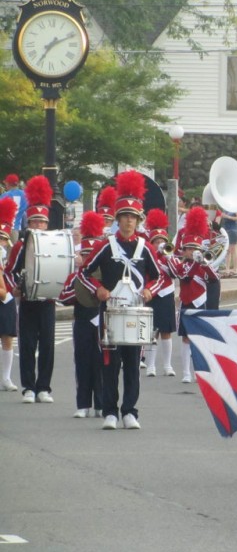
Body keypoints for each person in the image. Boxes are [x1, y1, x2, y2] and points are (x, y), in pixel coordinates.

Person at [79, 171, 167, 430]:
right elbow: (84, 273)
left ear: (138, 220)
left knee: (131, 363)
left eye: (133, 217)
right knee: (109, 363)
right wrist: (98, 290)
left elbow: (161, 276)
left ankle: (130, 411)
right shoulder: (106, 245)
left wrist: (150, 289)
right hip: (110, 312)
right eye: (124, 217)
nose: (128, 221)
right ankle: (110, 412)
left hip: (136, 312)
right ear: (117, 219)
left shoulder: (145, 247)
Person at [5, 176, 57, 404]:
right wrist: (14, 287)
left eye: (42, 222)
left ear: (47, 223)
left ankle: (44, 387)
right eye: (34, 222)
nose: (38, 226)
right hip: (27, 299)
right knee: (27, 344)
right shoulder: (20, 245)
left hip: (47, 300)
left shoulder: (55, 242)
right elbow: (8, 271)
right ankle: (28, 387)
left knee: (47, 344)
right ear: (29, 223)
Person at [58, 212, 105, 418]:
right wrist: (79, 284)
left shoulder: (105, 274)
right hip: (83, 321)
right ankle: (83, 404)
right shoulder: (74, 276)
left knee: (102, 363)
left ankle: (101, 404)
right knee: (82, 361)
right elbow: (63, 297)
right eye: (85, 255)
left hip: (102, 321)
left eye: (91, 255)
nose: (88, 259)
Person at [170, 208, 219, 384]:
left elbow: (213, 278)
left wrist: (204, 262)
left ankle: (201, 370)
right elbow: (182, 275)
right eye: (188, 249)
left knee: (199, 337)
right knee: (185, 337)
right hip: (185, 302)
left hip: (200, 302)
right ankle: (185, 372)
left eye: (194, 249)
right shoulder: (182, 266)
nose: (191, 252)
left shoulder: (202, 265)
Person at [142, 209, 177, 378]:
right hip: (153, 294)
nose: (160, 244)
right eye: (156, 241)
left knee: (166, 331)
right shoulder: (149, 256)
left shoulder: (169, 257)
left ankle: (168, 365)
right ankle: (150, 366)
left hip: (167, 293)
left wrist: (168, 258)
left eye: (162, 241)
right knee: (151, 331)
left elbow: (177, 273)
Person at [0, 197, 18, 391]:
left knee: (7, 337)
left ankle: (6, 378)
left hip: (7, 298)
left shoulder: (11, 254)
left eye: (3, 238)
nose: (1, 242)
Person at [0, 174, 27, 242]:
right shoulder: (25, 195)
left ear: (8, 184)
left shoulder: (5, 195)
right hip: (17, 228)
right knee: (12, 251)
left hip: (4, 228)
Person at [220, 208, 237, 277]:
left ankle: (235, 269)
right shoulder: (226, 209)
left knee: (233, 249)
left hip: (233, 230)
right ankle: (227, 268)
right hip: (226, 230)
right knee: (228, 250)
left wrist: (227, 216)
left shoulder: (236, 208)